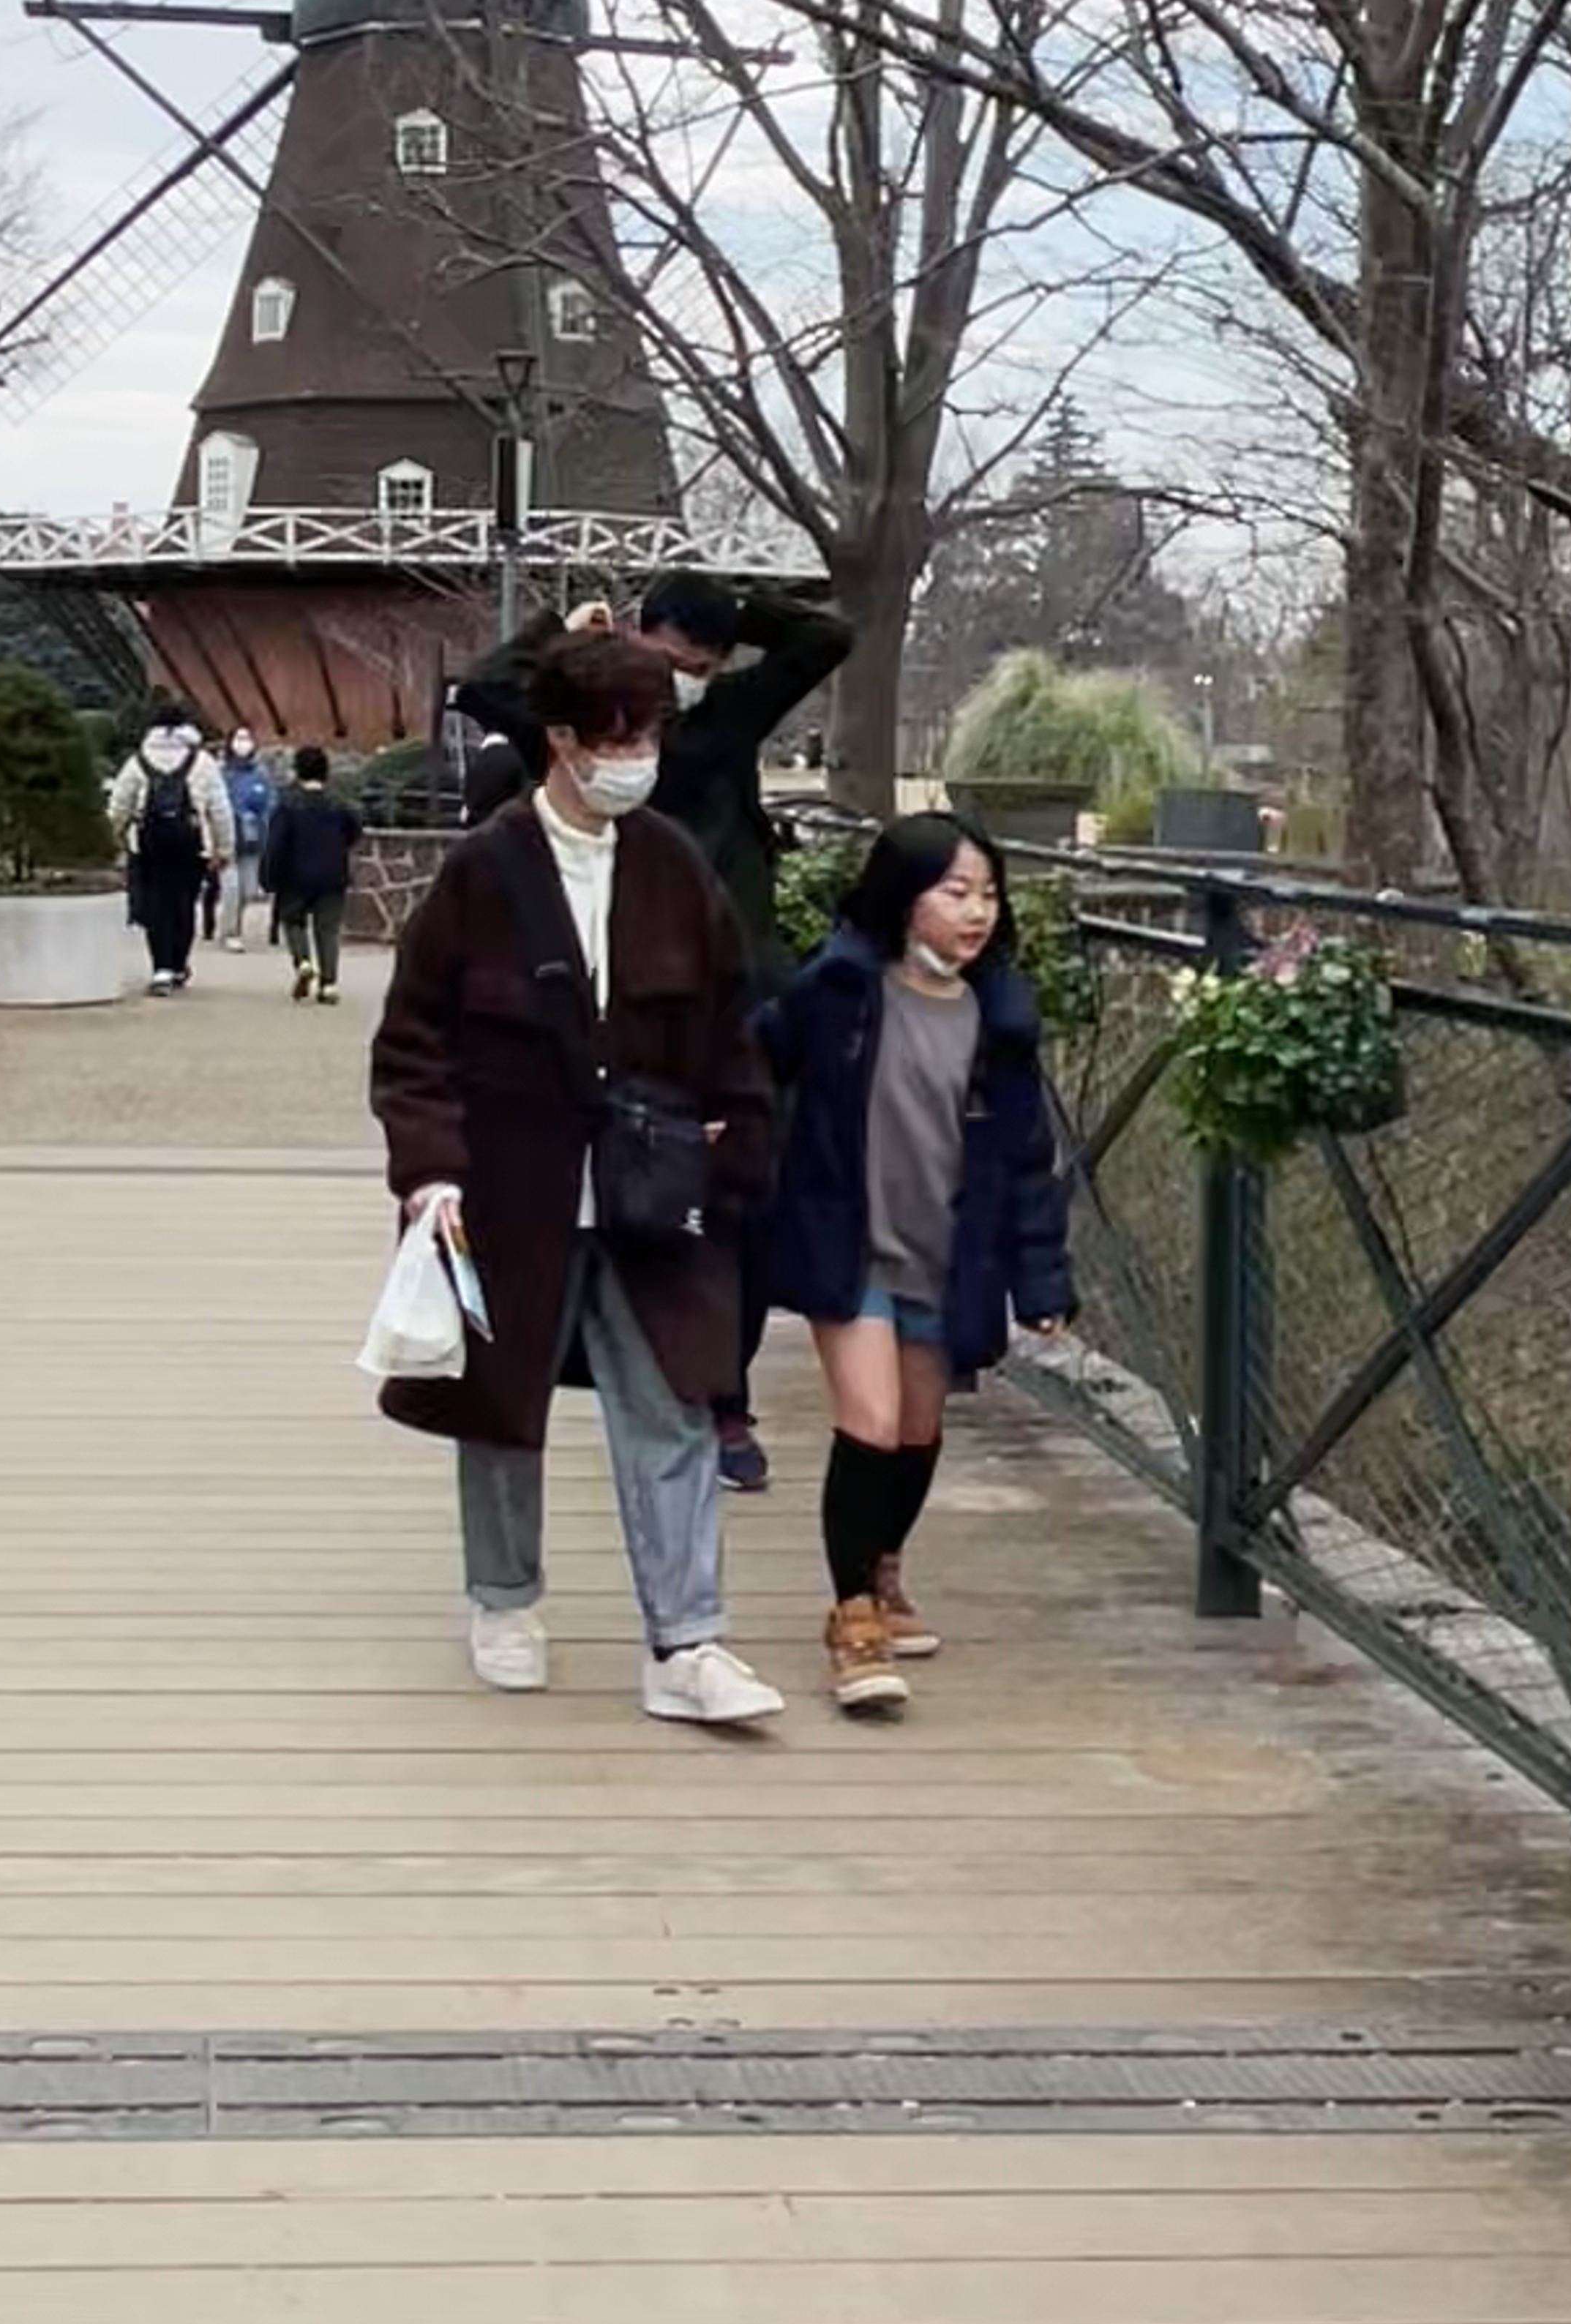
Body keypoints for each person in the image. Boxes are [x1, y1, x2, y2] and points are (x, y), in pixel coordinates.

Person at [369, 629, 785, 1730]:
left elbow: (732, 1020)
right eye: (618, 736)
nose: (636, 756)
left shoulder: (674, 864)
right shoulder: (485, 867)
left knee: (676, 1400)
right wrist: (430, 1169)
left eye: (648, 735)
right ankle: (505, 1596)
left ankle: (686, 1639)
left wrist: (737, 1138)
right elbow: (413, 1036)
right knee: (499, 1402)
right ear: (561, 738)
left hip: (655, 1186)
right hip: (509, 1186)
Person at [451, 569, 853, 1494]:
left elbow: (825, 640)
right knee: (611, 1192)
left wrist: (734, 606)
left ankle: (723, 1395)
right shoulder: (586, 721)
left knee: (736, 1200)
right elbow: (485, 688)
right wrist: (568, 632)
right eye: (674, 660)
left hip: (729, 995)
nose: (687, 681)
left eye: (704, 665)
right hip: (611, 1002)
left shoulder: (729, 716)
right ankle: (591, 1365)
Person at [760, 811, 1074, 1719]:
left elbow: (1027, 1162)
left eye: (989, 893)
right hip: (849, 1243)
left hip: (947, 1257)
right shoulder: (841, 992)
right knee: (869, 1420)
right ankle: (853, 1619)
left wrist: (1041, 1281)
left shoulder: (998, 1020)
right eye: (955, 891)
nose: (977, 911)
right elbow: (754, 1058)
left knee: (916, 1430)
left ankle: (884, 1566)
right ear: (904, 898)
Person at [107, 716, 231, 994]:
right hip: (191, 845)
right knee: (184, 905)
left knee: (156, 906)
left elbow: (119, 806)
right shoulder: (203, 762)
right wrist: (224, 849)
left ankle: (161, 968)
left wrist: (114, 837)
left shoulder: (138, 761)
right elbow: (221, 810)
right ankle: (178, 964)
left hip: (148, 845)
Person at [259, 745, 362, 1001]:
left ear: (298, 771)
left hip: (294, 876)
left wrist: (269, 876)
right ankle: (329, 984)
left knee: (293, 921)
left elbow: (276, 844)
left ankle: (303, 961)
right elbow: (355, 831)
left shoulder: (288, 805)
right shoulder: (339, 803)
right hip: (332, 875)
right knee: (328, 930)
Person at [216, 727, 278, 950]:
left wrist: (262, 822)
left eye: (247, 738)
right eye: (239, 738)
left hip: (253, 840)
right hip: (228, 838)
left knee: (248, 890)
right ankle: (230, 932)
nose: (243, 743)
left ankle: (233, 925)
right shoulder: (222, 774)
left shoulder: (260, 775)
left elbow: (271, 802)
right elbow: (217, 803)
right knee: (232, 888)